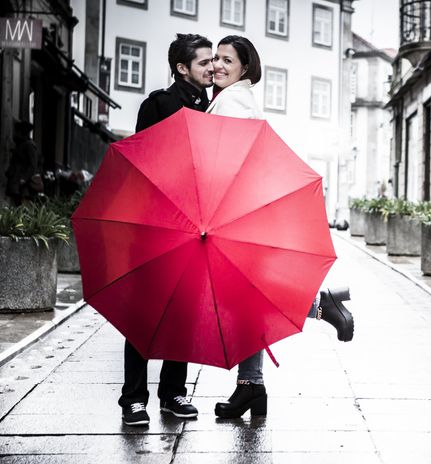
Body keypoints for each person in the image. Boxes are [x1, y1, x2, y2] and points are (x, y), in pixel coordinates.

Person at [206, 35, 355, 419]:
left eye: (227, 60)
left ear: (244, 67)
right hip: (239, 216)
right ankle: (251, 385)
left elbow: (229, 164)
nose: (218, 65)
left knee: (249, 297)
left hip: (234, 217)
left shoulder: (234, 103)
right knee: (246, 304)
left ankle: (320, 304)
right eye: (216, 58)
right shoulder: (233, 100)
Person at [118, 33, 214, 427]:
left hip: (197, 227)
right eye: (205, 61)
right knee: (143, 314)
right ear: (182, 68)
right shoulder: (158, 104)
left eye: (213, 61)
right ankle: (133, 399)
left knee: (184, 313)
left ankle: (173, 393)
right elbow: (141, 165)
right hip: (157, 226)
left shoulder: (214, 109)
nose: (213, 67)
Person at [5, 120, 43, 206]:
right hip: (16, 178)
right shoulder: (21, 144)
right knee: (15, 202)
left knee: (22, 204)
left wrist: (24, 178)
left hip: (23, 182)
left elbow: (33, 165)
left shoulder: (29, 145)